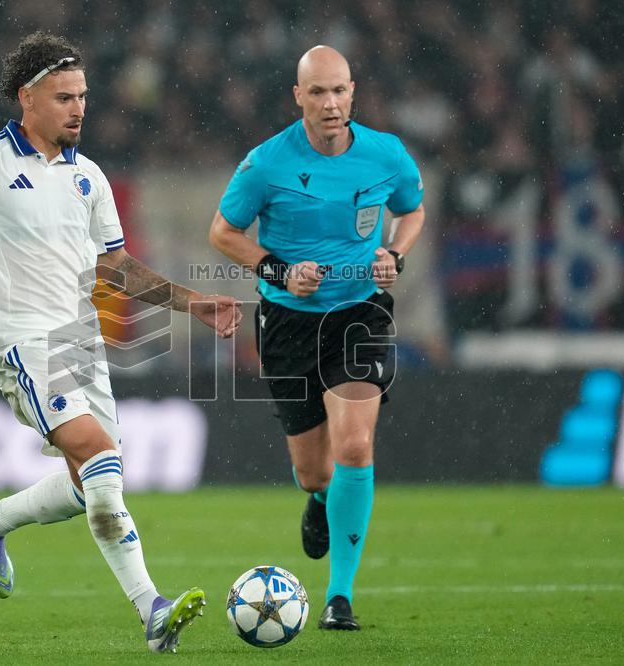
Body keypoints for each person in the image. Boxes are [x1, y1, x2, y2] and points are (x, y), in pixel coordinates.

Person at [0, 32, 241, 653]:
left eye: (82, 97)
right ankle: (153, 611)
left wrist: (193, 302)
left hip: (80, 344)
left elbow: (117, 269)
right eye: (64, 98)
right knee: (99, 454)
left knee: (93, 486)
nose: (78, 109)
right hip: (20, 342)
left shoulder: (90, 178)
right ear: (28, 97)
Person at [208, 45, 425, 630]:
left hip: (360, 313)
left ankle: (339, 596)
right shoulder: (266, 164)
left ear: (353, 93)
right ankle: (321, 498)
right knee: (315, 472)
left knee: (354, 446)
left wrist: (394, 255)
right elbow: (224, 232)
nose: (331, 104)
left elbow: (413, 210)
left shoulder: (387, 154)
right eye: (318, 93)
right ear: (298, 97)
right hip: (287, 323)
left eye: (340, 91)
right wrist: (278, 270)